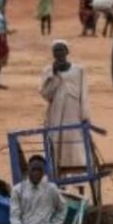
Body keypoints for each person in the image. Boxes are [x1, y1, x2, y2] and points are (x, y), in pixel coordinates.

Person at [41, 40, 90, 174]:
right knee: (56, 144)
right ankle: (58, 177)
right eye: (56, 51)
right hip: (55, 113)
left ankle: (79, 179)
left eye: (61, 50)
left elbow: (84, 94)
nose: (59, 53)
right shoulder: (48, 71)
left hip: (74, 113)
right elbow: (46, 94)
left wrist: (85, 115)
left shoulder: (79, 70)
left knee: (75, 144)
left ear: (67, 52)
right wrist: (54, 75)